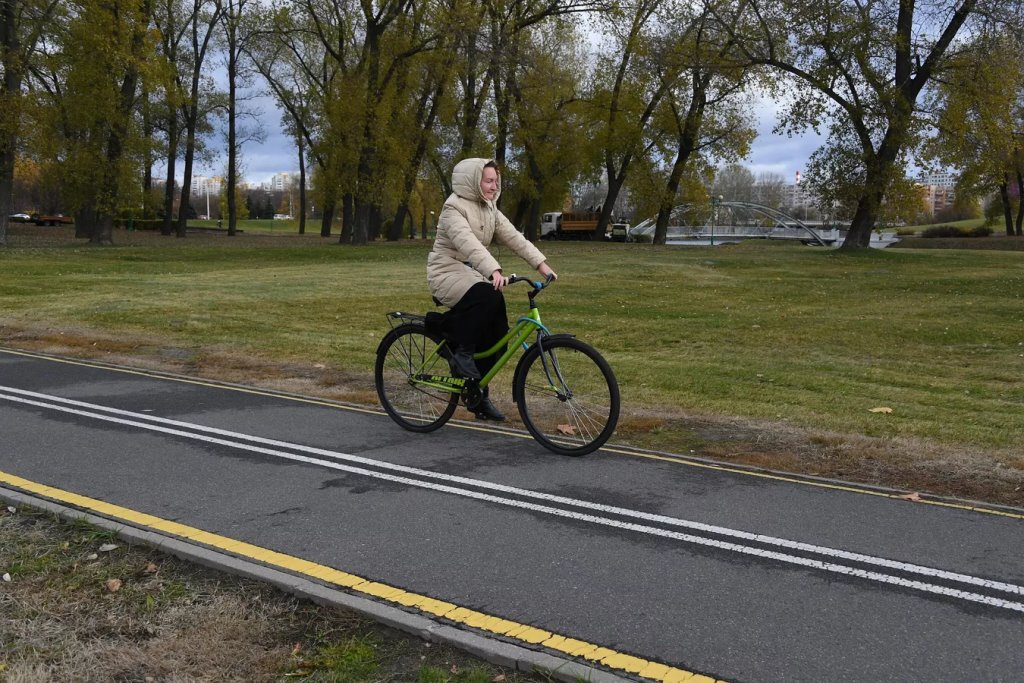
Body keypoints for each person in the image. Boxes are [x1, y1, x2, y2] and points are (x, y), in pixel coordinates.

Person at [427, 157, 557, 421]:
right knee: (487, 295)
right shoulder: (453, 208)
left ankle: (477, 394)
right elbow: (467, 243)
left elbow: (514, 237)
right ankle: (456, 346)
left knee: (498, 334)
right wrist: (493, 271)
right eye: (488, 181)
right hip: (446, 271)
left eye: (496, 181)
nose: (494, 186)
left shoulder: (490, 209)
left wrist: (541, 265)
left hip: (472, 272)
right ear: (473, 181)